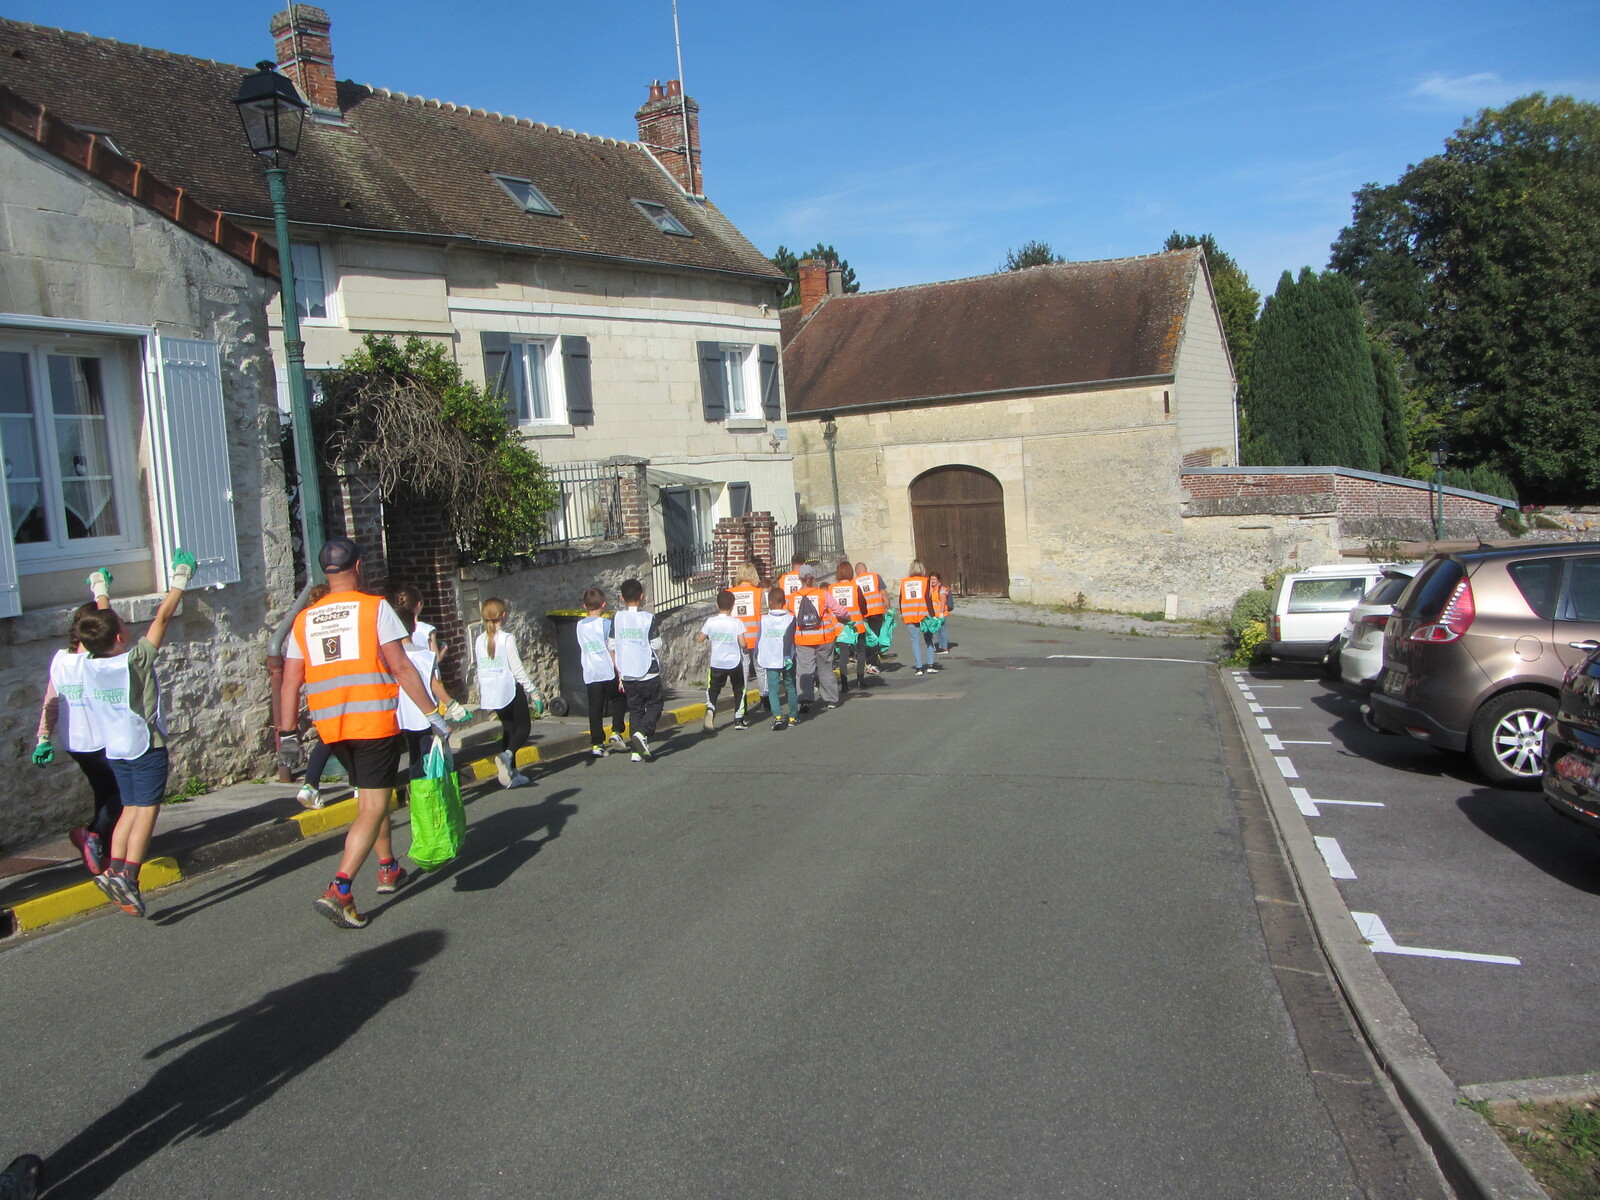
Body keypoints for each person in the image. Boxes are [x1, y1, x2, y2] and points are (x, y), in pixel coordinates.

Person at [278, 538, 448, 929]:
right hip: (372, 721)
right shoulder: (375, 608)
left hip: (332, 728)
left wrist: (287, 734)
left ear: (325, 572)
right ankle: (340, 889)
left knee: (370, 798)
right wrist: (432, 713)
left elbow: (289, 682)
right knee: (373, 804)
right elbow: (401, 667)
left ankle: (388, 865)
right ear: (357, 567)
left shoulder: (305, 620)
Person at [75, 550, 196, 918]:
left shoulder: (89, 661)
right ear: (119, 635)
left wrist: (100, 590)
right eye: (122, 624)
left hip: (116, 749)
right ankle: (130, 875)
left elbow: (101, 626)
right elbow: (163, 617)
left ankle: (113, 869)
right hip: (145, 746)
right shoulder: (135, 660)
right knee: (146, 811)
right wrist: (180, 579)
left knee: (129, 809)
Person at [33, 573, 120, 876]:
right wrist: (101, 592)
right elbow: (109, 625)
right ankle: (92, 834)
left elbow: (50, 702)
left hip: (76, 743)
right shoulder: (96, 659)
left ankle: (103, 849)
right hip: (100, 741)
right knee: (124, 791)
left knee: (105, 791)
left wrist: (44, 738)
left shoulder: (61, 660)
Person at [390, 597, 469, 779]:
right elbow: (433, 684)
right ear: (412, 628)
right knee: (428, 755)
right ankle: (429, 791)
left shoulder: (390, 659)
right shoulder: (422, 655)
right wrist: (453, 704)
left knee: (414, 756)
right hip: (425, 715)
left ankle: (417, 788)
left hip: (403, 716)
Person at [474, 597, 541, 788]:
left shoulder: (479, 640)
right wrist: (533, 692)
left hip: (491, 691)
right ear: (503, 616)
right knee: (523, 728)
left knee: (509, 729)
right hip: (508, 688)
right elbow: (517, 669)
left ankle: (511, 772)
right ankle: (507, 756)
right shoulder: (506, 639)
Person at [612, 578, 664, 761]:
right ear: (642, 597)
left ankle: (636, 752)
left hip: (627, 671)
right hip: (647, 670)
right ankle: (642, 733)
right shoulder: (648, 618)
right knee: (655, 704)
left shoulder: (617, 618)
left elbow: (611, 644)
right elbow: (657, 644)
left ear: (622, 598)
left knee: (635, 710)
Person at [787, 564, 846, 711]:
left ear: (800, 578)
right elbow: (839, 610)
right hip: (824, 637)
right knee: (825, 668)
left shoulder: (793, 597)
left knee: (804, 669)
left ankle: (805, 700)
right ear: (813, 577)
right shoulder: (822, 594)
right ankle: (831, 699)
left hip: (803, 639)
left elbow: (789, 616)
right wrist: (848, 617)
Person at [578, 587, 629, 757]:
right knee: (619, 698)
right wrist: (620, 670)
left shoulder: (579, 626)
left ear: (585, 606)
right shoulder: (606, 624)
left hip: (591, 672)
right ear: (604, 605)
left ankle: (597, 743)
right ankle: (616, 731)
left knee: (595, 708)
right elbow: (611, 648)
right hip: (607, 669)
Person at [696, 589, 750, 733]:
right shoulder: (736, 622)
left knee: (713, 689)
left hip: (717, 662)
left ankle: (710, 708)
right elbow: (743, 643)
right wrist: (746, 648)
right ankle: (738, 719)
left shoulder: (711, 622)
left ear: (716, 605)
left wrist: (710, 636)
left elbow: (699, 639)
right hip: (734, 661)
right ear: (732, 606)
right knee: (739, 689)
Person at [756, 586, 798, 729]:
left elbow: (759, 638)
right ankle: (793, 716)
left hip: (770, 658)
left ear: (769, 602)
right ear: (784, 602)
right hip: (787, 658)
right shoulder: (791, 618)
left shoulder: (764, 619)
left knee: (773, 688)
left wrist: (756, 653)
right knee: (790, 686)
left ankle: (777, 717)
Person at [829, 561, 870, 696]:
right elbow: (864, 607)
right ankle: (860, 680)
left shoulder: (831, 589)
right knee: (861, 651)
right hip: (856, 625)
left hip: (840, 627)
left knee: (843, 655)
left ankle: (845, 685)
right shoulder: (855, 587)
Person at [899, 559, 940, 675]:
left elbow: (901, 599)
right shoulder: (926, 581)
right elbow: (928, 599)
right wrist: (933, 616)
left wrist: (902, 613)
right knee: (929, 639)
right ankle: (930, 665)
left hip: (910, 615)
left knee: (915, 641)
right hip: (924, 615)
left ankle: (919, 668)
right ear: (922, 569)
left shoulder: (904, 582)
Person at [854, 561, 889, 676]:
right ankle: (873, 664)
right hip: (876, 611)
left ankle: (869, 662)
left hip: (862, 615)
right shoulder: (875, 577)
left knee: (866, 638)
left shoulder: (854, 581)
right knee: (875, 637)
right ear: (866, 569)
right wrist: (888, 609)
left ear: (857, 571)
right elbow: (884, 594)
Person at [930, 571, 954, 654]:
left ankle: (944, 648)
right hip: (934, 614)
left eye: (934, 579)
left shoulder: (942, 589)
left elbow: (943, 601)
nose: (932, 581)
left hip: (941, 613)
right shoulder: (932, 589)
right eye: (931, 579)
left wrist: (941, 613)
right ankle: (941, 647)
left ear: (938, 580)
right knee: (938, 630)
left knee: (942, 630)